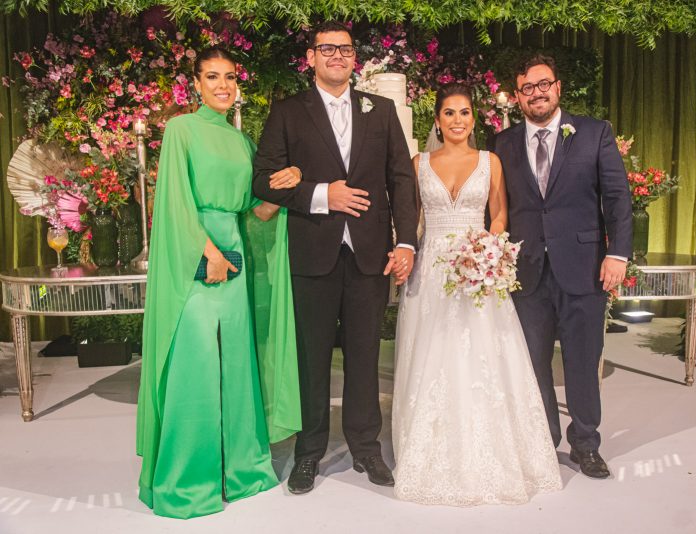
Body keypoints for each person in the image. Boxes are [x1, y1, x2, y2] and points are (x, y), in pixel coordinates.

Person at [252, 21, 418, 494]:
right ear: (311, 57)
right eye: (327, 49)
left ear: (354, 59)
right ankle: (309, 452)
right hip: (312, 253)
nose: (337, 56)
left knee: (366, 354)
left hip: (370, 254)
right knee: (312, 357)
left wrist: (406, 241)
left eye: (344, 49)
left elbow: (401, 178)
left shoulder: (380, 110)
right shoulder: (288, 111)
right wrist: (324, 194)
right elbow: (262, 180)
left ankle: (366, 446)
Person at [136, 46, 302, 519]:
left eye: (229, 77)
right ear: (196, 83)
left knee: (236, 365)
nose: (223, 85)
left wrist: (283, 187)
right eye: (212, 77)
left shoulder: (243, 141)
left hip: (236, 260)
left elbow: (253, 213)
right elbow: (174, 200)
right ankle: (189, 481)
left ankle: (241, 471)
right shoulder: (181, 130)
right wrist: (206, 251)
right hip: (195, 256)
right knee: (197, 365)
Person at [392, 83, 562, 506]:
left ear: (473, 118)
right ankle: (429, 448)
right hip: (432, 271)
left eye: (464, 112)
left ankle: (493, 450)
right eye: (449, 113)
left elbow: (499, 212)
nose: (457, 120)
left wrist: (488, 247)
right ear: (437, 120)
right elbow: (411, 220)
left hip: (478, 267)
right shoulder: (419, 164)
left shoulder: (490, 161)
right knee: (432, 354)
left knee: (482, 356)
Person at [494, 54, 633, 479]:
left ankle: (586, 444)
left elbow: (617, 197)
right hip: (526, 270)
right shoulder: (501, 144)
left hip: (584, 267)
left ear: (557, 87)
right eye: (527, 88)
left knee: (582, 361)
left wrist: (618, 254)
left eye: (543, 85)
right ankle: (544, 441)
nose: (536, 94)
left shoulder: (594, 133)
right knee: (533, 363)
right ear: (517, 97)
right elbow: (496, 209)